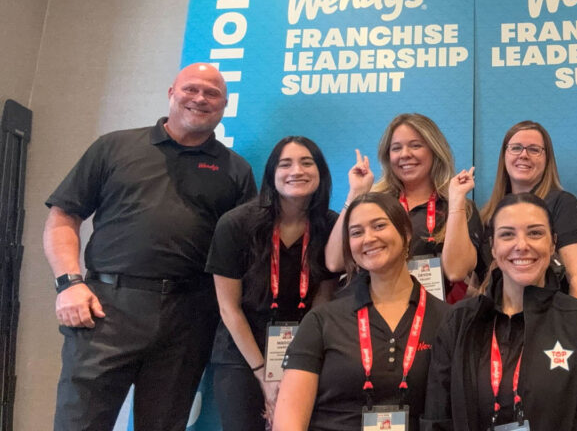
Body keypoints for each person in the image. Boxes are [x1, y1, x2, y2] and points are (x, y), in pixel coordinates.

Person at [43, 63, 257, 431]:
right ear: (171, 92)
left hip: (188, 317)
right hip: (105, 307)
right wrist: (68, 283)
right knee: (79, 423)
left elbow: (242, 254)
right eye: (192, 89)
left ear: (224, 105)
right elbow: (64, 216)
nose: (200, 99)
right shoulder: (115, 146)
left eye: (212, 94)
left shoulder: (235, 170)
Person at [422, 192, 577, 431]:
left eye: (535, 233)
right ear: (493, 247)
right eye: (507, 234)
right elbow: (437, 420)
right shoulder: (458, 322)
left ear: (553, 244)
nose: (521, 245)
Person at [273, 193, 449, 431]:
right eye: (356, 232)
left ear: (406, 232)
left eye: (379, 226)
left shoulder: (447, 320)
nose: (369, 238)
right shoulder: (321, 321)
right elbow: (289, 422)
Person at [206, 136, 339, 430]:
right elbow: (229, 308)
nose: (297, 171)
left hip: (304, 349)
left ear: (321, 172)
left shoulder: (330, 225)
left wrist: (297, 366)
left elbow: (324, 301)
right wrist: (263, 373)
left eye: (307, 163)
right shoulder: (235, 224)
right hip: (242, 354)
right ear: (271, 174)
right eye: (285, 164)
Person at [326, 113, 486, 303]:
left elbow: (456, 271)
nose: (405, 154)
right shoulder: (373, 203)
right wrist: (356, 195)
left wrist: (456, 203)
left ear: (434, 150)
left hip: (431, 317)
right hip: (368, 314)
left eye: (416, 145)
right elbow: (334, 262)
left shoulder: (460, 207)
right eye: (396, 148)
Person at [480, 120, 577, 302]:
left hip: (550, 322)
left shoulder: (563, 205)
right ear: (504, 156)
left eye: (534, 149)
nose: (524, 155)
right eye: (516, 148)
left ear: (547, 159)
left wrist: (575, 327)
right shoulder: (488, 215)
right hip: (501, 322)